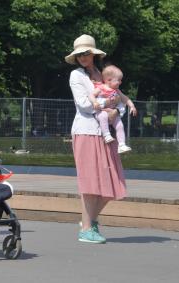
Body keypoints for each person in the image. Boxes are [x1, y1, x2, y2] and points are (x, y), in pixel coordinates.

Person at [65, 34, 127, 244]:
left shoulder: (104, 75)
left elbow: (119, 101)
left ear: (93, 54)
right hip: (86, 132)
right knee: (90, 183)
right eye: (80, 54)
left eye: (87, 53)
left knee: (113, 185)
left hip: (105, 134)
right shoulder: (76, 75)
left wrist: (116, 113)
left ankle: (88, 221)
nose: (83, 57)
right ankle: (86, 228)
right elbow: (83, 104)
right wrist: (106, 109)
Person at [89, 65, 137, 153]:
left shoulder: (117, 91)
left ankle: (122, 145)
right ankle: (106, 135)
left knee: (120, 126)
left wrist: (132, 106)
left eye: (120, 80)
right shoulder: (100, 88)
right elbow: (91, 95)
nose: (120, 82)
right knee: (103, 116)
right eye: (118, 80)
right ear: (109, 80)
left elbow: (125, 98)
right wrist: (95, 102)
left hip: (113, 113)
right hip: (101, 112)